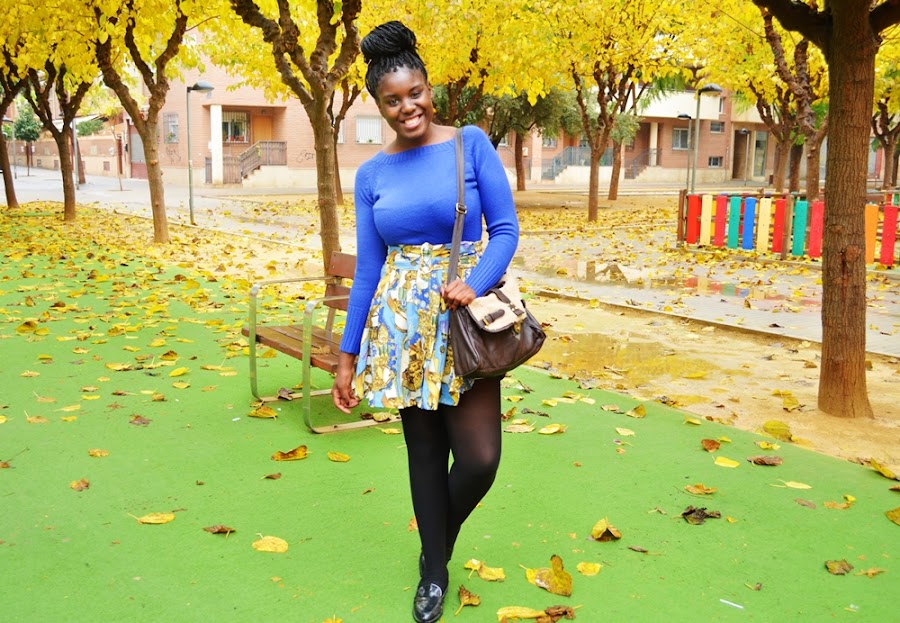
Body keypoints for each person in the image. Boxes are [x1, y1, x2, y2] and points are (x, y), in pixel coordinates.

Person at [330, 20, 519, 623]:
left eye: (415, 93)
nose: (407, 107)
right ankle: (434, 569)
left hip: (463, 319)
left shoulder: (470, 143)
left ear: (429, 89)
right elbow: (368, 269)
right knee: (425, 453)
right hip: (401, 325)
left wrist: (475, 281)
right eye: (393, 100)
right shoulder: (371, 175)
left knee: (481, 459)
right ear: (378, 104)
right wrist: (346, 356)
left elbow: (505, 230)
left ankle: (437, 536)